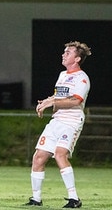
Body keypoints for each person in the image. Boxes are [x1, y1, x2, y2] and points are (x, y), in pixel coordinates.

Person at [25, 41, 92, 209]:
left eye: (68, 52)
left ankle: (74, 198)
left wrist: (52, 101)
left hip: (71, 121)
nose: (63, 54)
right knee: (38, 157)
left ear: (77, 58)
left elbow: (76, 100)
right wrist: (46, 102)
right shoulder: (62, 75)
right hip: (57, 121)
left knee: (60, 154)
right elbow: (59, 97)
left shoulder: (82, 78)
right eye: (64, 52)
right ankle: (36, 199)